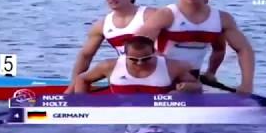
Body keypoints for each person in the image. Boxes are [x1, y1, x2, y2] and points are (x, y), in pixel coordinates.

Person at [136, 0, 255, 93]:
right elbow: (137, 45)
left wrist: (246, 84)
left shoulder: (222, 19)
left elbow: (243, 49)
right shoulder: (166, 15)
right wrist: (174, 71)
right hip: (162, 75)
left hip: (192, 78)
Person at [64, 0, 156, 94]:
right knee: (86, 77)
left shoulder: (150, 15)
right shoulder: (101, 25)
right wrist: (71, 88)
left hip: (154, 68)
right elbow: (85, 56)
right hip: (127, 71)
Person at [74, 36, 202, 94]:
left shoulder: (173, 66)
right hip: (122, 115)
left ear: (154, 52)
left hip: (159, 116)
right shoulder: (108, 65)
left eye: (146, 59)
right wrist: (81, 104)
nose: (140, 63)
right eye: (134, 59)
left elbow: (197, 87)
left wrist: (185, 88)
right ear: (125, 55)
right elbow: (82, 79)